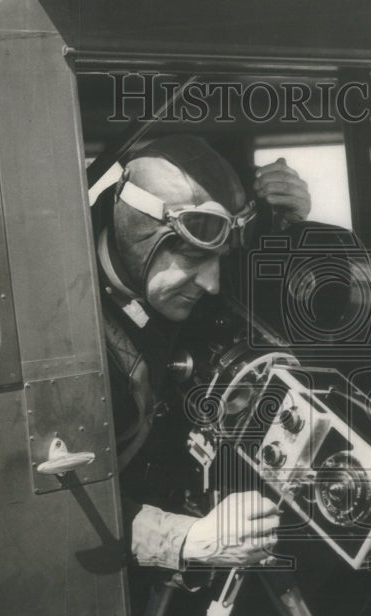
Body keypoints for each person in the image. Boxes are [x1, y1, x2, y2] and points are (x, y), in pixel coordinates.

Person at [91, 135, 311, 575]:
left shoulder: (177, 273)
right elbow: (57, 505)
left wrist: (291, 220)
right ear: (139, 237)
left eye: (219, 261)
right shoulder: (67, 328)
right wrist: (185, 539)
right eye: (194, 259)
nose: (211, 284)